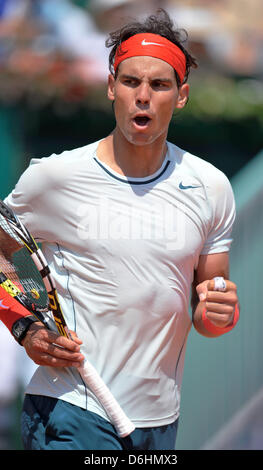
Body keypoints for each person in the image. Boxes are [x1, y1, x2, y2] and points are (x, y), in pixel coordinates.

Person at [0, 9, 239, 450]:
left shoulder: (211, 187)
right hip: (69, 408)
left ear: (181, 95)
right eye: (130, 82)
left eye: (159, 85)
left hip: (159, 418)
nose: (142, 96)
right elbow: (3, 249)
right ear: (112, 87)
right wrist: (27, 329)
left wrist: (220, 313)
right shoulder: (55, 177)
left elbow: (208, 312)